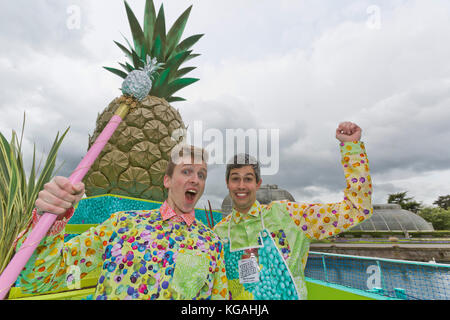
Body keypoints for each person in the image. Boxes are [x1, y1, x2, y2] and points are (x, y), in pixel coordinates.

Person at [14, 145, 229, 300]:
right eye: (186, 171)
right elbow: (39, 279)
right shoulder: (123, 224)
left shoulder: (211, 243)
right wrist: (51, 220)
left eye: (201, 174)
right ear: (167, 180)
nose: (195, 179)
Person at [213, 121, 373, 300]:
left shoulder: (290, 215)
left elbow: (356, 209)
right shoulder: (218, 233)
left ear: (258, 183)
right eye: (235, 179)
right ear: (227, 183)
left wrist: (351, 148)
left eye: (248, 179)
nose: (241, 186)